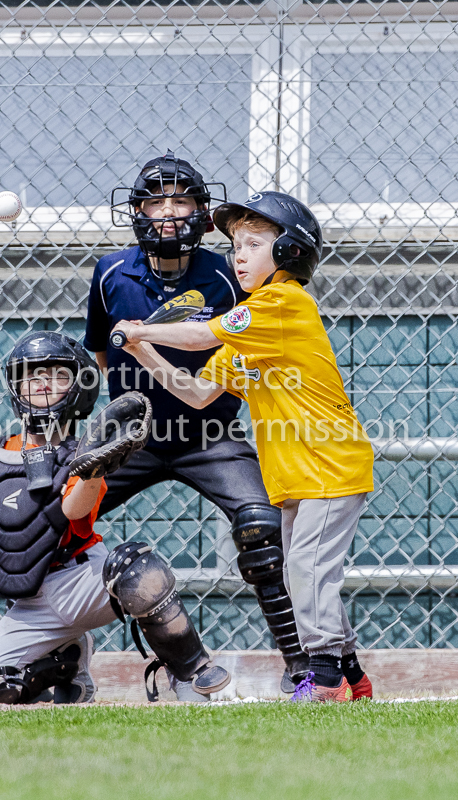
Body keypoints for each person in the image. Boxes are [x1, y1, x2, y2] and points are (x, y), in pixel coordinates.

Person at [109, 191, 375, 702]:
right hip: (299, 473)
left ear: (289, 253)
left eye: (254, 244)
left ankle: (321, 680)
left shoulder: (281, 304)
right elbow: (197, 392)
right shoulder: (251, 330)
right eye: (235, 246)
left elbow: (204, 334)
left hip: (329, 464)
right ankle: (351, 676)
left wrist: (144, 327)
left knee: (306, 570)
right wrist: (142, 349)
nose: (239, 256)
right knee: (305, 574)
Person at [85, 151, 308, 696]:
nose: (168, 213)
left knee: (261, 526)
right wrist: (104, 426)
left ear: (201, 212)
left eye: (181, 201)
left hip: (209, 433)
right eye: (155, 201)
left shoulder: (226, 274)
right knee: (50, 516)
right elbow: (100, 355)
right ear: (135, 210)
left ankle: (304, 664)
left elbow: (238, 342)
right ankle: (62, 662)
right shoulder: (111, 271)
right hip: (133, 438)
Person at [0, 331, 229, 704]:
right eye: (31, 375)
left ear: (79, 388)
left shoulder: (84, 453)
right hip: (32, 604)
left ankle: (189, 672)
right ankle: (65, 665)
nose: (41, 383)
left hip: (85, 582)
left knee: (138, 570)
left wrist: (94, 468)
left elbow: (73, 511)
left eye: (57, 375)